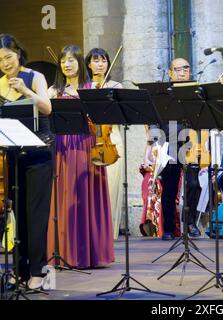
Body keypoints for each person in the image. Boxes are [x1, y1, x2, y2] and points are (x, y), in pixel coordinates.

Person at [47, 45, 114, 268]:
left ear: (80, 63)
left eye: (71, 60)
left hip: (88, 145)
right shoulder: (54, 90)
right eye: (63, 61)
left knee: (88, 196)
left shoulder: (91, 87)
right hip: (63, 146)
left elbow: (104, 118)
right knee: (66, 197)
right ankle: (66, 251)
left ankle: (91, 253)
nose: (67, 64)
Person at [0, 34, 53, 290]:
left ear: (18, 53)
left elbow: (47, 108)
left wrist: (24, 90)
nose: (5, 63)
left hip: (38, 153)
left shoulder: (35, 76)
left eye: (8, 57)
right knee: (16, 214)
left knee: (36, 215)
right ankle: (18, 270)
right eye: (0, 60)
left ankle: (38, 272)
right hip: (11, 155)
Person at [143, 58, 201, 240]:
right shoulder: (162, 95)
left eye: (186, 68)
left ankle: (190, 222)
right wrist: (154, 142)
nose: (182, 72)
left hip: (191, 141)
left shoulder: (196, 92)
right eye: (177, 69)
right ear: (170, 72)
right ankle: (168, 229)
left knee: (194, 184)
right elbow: (152, 118)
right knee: (169, 188)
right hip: (170, 143)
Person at [85, 48, 124, 240]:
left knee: (111, 185)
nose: (100, 64)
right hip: (90, 139)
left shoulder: (116, 86)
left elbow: (122, 113)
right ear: (89, 64)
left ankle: (110, 233)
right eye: (96, 60)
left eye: (104, 61)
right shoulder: (85, 86)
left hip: (111, 138)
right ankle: (92, 230)